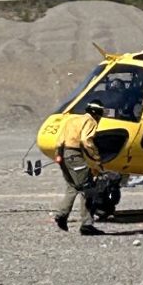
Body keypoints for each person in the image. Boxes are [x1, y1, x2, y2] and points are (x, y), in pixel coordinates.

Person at [53, 100, 105, 235]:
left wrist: (58, 155)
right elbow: (86, 141)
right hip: (75, 155)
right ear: (97, 113)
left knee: (72, 187)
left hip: (64, 155)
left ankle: (61, 215)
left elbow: (60, 140)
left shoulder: (73, 120)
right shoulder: (90, 121)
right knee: (89, 189)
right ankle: (87, 225)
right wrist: (97, 158)